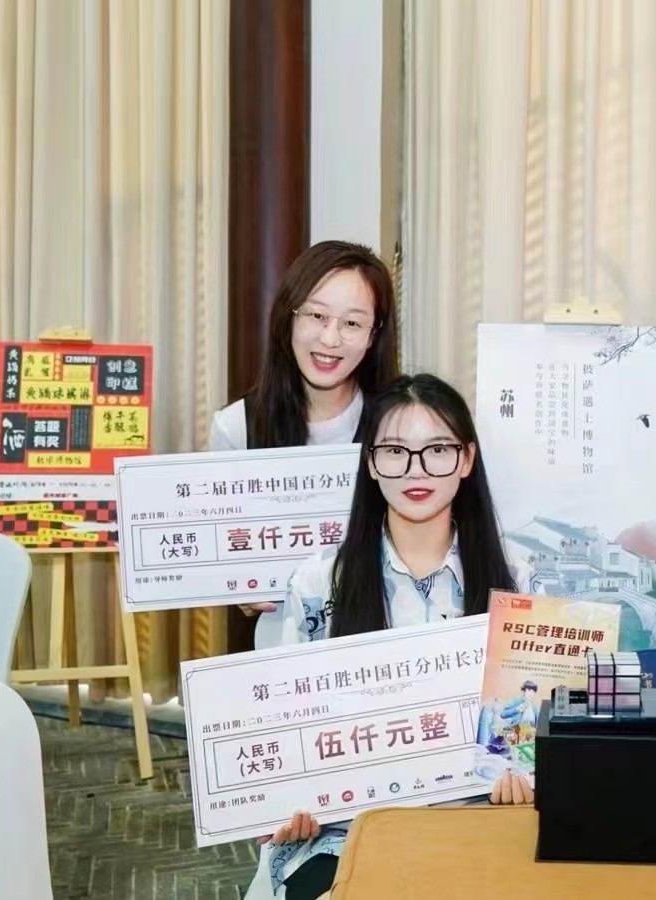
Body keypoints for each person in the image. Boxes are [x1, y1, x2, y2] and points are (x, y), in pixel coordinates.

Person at [246, 374, 534, 900]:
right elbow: (287, 724)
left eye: (438, 450)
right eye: (396, 451)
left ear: (467, 459)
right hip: (347, 832)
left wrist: (522, 776)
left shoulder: (516, 577)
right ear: (371, 463)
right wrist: (292, 799)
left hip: (478, 822)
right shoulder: (320, 582)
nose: (416, 469)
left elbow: (530, 727)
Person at [210, 240, 399, 624]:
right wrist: (235, 585)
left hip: (379, 639)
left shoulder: (398, 423)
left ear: (373, 336)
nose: (330, 339)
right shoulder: (236, 426)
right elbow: (222, 546)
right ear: (289, 318)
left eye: (351, 323)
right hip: (282, 642)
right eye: (316, 315)